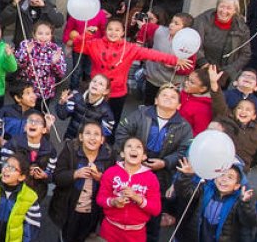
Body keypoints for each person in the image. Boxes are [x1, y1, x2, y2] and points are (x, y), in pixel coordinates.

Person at [113, 85, 194, 237]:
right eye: (164, 95)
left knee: (153, 216)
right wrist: (132, 156)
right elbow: (122, 132)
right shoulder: (141, 114)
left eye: (173, 97)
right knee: (125, 207)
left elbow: (184, 151)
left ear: (179, 105)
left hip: (162, 175)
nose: (168, 98)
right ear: (156, 100)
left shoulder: (184, 126)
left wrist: (166, 162)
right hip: (132, 169)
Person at [85, 17, 184, 122]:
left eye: (117, 30)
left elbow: (151, 54)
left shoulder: (129, 48)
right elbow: (78, 46)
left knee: (112, 121)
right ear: (105, 31)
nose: (113, 32)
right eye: (110, 29)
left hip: (117, 92)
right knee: (91, 120)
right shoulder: (95, 43)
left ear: (123, 32)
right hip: (96, 90)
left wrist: (174, 59)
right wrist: (86, 34)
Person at [49, 121, 114, 242]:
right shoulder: (70, 150)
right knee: (65, 238)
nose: (92, 138)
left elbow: (114, 184)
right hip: (69, 209)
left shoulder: (109, 156)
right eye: (88, 133)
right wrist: (75, 174)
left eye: (96, 134)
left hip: (92, 212)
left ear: (102, 140)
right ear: (81, 137)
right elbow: (56, 177)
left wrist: (101, 178)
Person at [97, 137, 162, 242]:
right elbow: (100, 198)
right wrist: (113, 201)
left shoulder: (151, 178)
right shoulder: (111, 172)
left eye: (138, 147)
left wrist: (137, 198)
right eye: (129, 146)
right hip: (110, 230)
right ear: (122, 153)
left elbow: (156, 209)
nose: (133, 149)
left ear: (144, 156)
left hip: (136, 234)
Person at [194, 0, 251, 87]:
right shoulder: (203, 20)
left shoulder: (242, 29)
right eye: (222, 6)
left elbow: (245, 54)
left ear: (235, 11)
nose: (224, 11)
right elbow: (194, 43)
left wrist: (227, 72)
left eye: (229, 8)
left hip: (224, 76)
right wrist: (203, 63)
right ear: (217, 7)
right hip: (200, 68)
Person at [0, 0, 64, 46]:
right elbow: (3, 21)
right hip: (23, 48)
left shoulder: (49, 6)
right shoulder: (22, 4)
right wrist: (13, 5)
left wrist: (44, 7)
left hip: (43, 50)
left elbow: (59, 23)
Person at [14, 20, 65, 106]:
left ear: (51, 35)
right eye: (40, 33)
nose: (43, 37)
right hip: (27, 90)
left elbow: (61, 73)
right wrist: (27, 53)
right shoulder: (26, 44)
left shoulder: (55, 49)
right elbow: (17, 65)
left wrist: (54, 62)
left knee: (40, 116)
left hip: (45, 91)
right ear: (34, 34)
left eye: (47, 34)